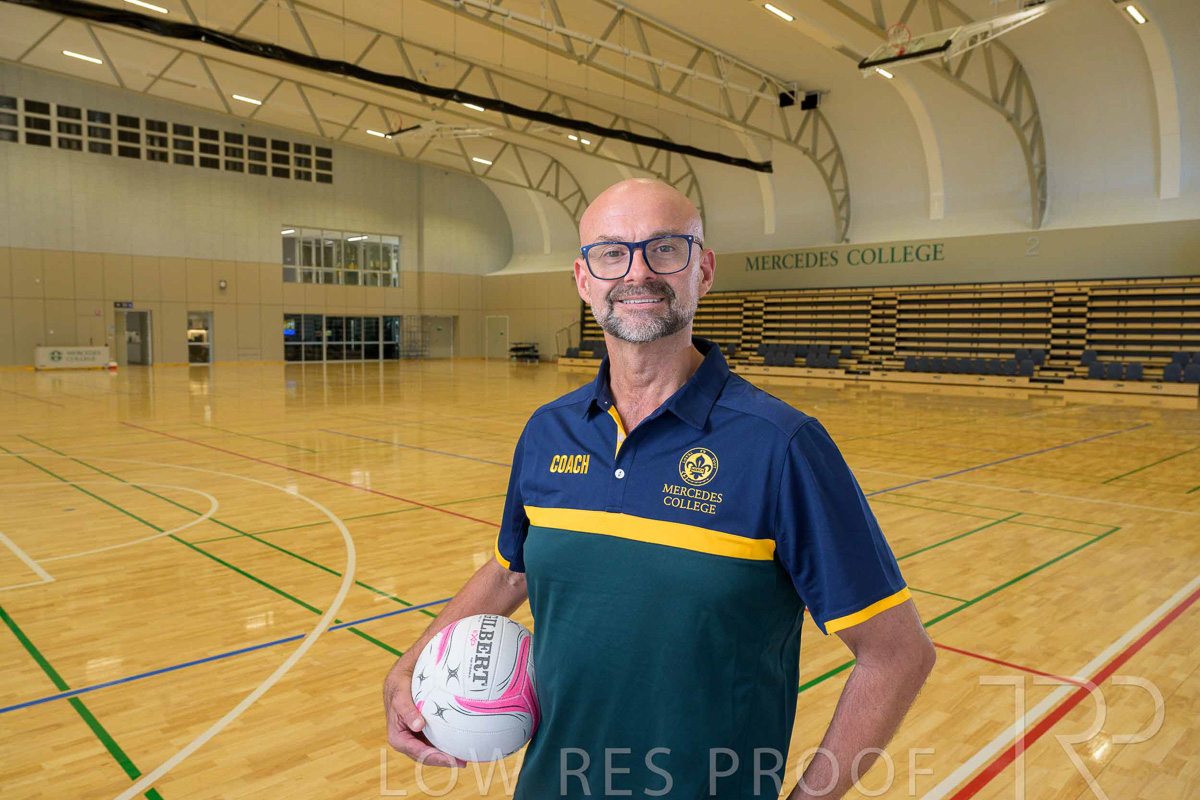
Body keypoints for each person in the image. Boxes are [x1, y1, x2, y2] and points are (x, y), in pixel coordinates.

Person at [384, 178, 935, 798]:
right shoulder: (549, 430)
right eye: (611, 253)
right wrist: (412, 662)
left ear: (704, 270)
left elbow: (897, 654)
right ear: (583, 278)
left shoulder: (782, 446)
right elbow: (512, 572)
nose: (637, 272)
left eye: (665, 248)